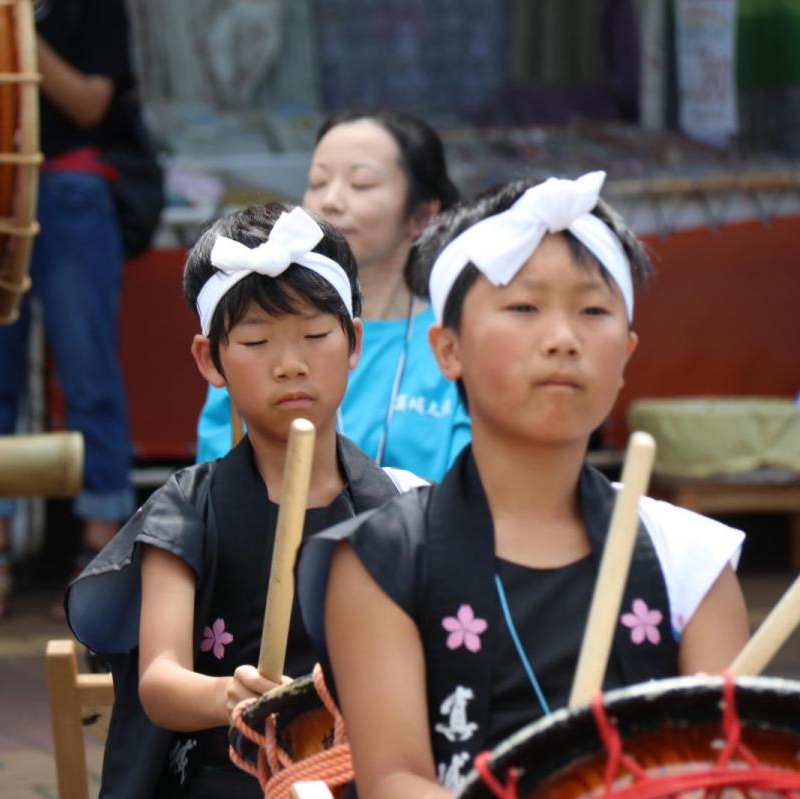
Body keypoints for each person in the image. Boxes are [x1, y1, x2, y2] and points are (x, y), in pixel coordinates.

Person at [297, 172, 751, 796]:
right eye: (524, 307)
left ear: (627, 352)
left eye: (593, 311)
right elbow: (395, 780)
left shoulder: (691, 559)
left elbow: (723, 774)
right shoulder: (384, 559)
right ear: (447, 348)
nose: (563, 339)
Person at [65, 204, 424, 797]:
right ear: (211, 360)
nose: (290, 365)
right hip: (226, 777)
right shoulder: (186, 508)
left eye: (315, 335)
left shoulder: (402, 505)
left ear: (354, 342)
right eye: (256, 341)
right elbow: (159, 680)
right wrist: (227, 695)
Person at [0, 0, 138, 621]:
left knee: (88, 373)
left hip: (70, 188)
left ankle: (100, 553)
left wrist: (15, 29)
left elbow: (90, 103)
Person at [195, 111, 470, 481]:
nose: (332, 201)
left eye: (362, 184)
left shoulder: (460, 339)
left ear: (423, 214)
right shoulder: (250, 332)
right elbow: (221, 479)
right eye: (318, 181)